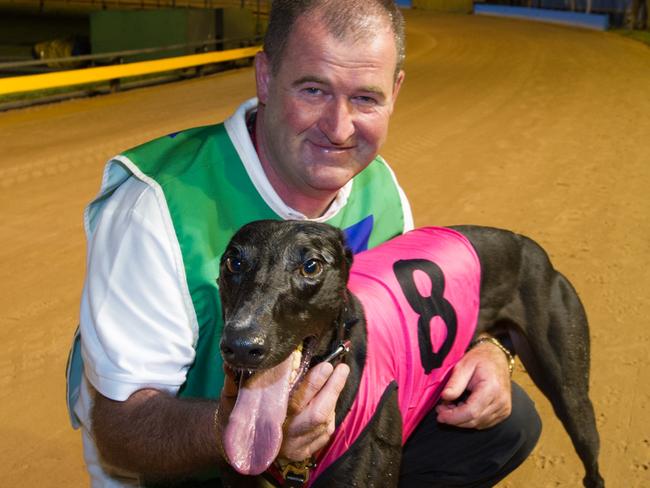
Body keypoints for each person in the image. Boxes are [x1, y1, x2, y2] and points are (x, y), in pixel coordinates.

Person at [65, 0, 541, 486]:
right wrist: (241, 429)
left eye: (366, 99)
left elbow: (404, 331)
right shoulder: (157, 208)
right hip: (189, 469)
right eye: (314, 90)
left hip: (331, 450)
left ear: (395, 92)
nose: (338, 128)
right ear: (266, 77)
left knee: (507, 425)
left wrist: (488, 351)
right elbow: (121, 430)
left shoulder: (381, 191)